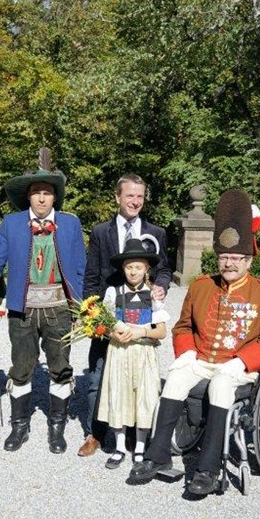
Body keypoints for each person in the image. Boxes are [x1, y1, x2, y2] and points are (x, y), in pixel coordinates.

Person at [127, 189, 260, 495]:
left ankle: (209, 469)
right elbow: (183, 326)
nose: (229, 264)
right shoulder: (200, 287)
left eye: (237, 258)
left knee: (221, 385)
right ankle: (156, 457)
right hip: (200, 359)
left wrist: (242, 362)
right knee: (174, 380)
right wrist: (185, 354)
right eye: (225, 257)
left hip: (237, 367)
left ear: (249, 261)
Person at [0, 148, 86, 453]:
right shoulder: (11, 223)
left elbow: (80, 269)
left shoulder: (71, 224)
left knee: (60, 366)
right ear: (28, 197)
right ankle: (20, 427)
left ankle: (56, 428)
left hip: (60, 309)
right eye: (36, 193)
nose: (42, 198)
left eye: (47, 192)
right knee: (21, 367)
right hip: (22, 309)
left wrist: (84, 305)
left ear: (55, 197)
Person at [79, 174, 172, 457]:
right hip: (109, 313)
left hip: (141, 315)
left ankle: (132, 435)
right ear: (118, 197)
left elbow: (165, 270)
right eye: (129, 196)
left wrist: (160, 287)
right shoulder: (100, 232)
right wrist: (94, 319)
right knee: (98, 376)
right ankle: (95, 433)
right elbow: (92, 277)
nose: (135, 201)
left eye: (140, 197)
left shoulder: (156, 233)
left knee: (137, 379)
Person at [96, 236, 168, 469]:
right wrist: (112, 332)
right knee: (119, 395)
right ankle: (118, 447)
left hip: (144, 353)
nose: (133, 272)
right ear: (123, 268)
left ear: (146, 268)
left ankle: (139, 447)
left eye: (138, 267)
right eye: (129, 267)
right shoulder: (113, 292)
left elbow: (162, 330)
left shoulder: (153, 295)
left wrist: (140, 332)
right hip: (119, 352)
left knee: (144, 398)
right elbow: (104, 323)